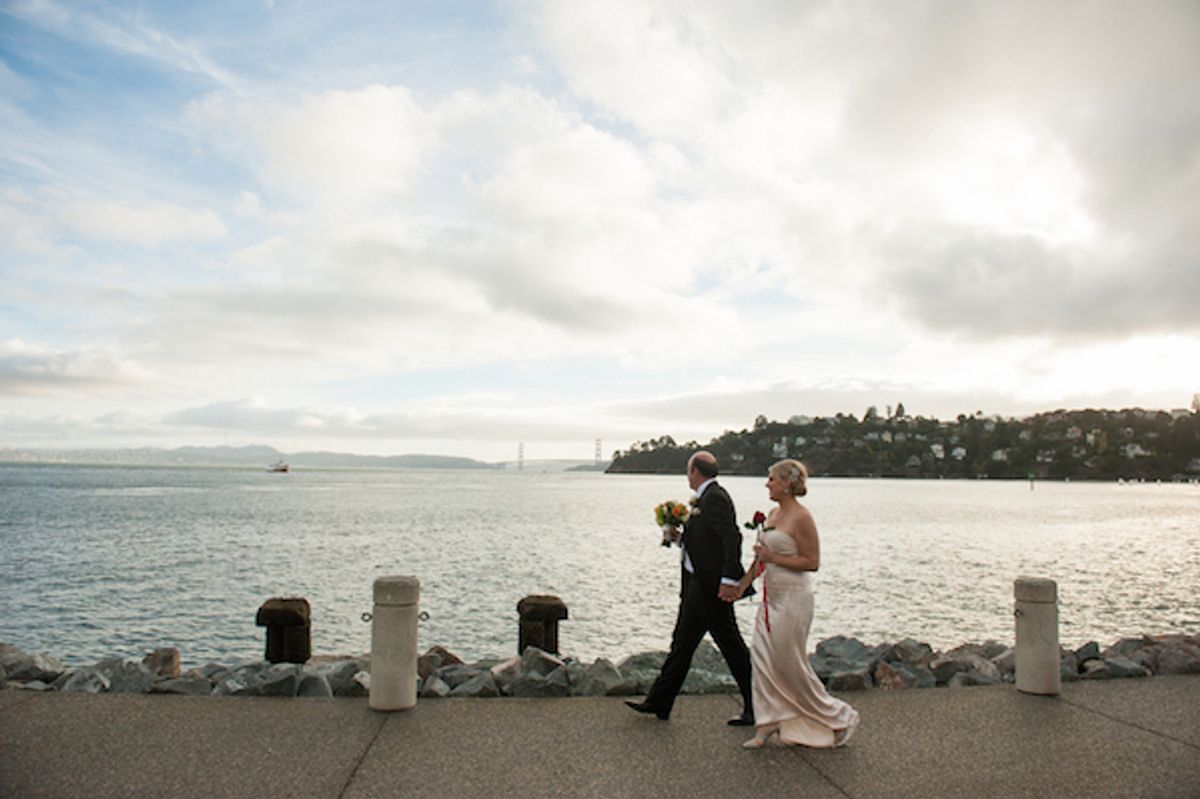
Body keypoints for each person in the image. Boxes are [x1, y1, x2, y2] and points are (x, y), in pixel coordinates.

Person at [735, 459, 859, 749]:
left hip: (794, 599)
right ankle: (765, 725)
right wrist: (741, 585)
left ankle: (838, 716)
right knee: (763, 660)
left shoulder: (802, 517)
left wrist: (773, 558)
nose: (767, 484)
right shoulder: (773, 513)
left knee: (791, 665)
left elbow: (812, 562)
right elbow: (761, 559)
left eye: (771, 479)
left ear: (787, 483)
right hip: (770, 597)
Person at [626, 450, 755, 724]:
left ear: (696, 471)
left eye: (688, 470)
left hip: (711, 588)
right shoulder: (703, 499)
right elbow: (705, 540)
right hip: (695, 586)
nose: (687, 475)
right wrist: (679, 538)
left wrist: (729, 580)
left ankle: (756, 706)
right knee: (681, 645)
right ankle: (659, 702)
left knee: (731, 647)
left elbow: (731, 538)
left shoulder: (716, 498)